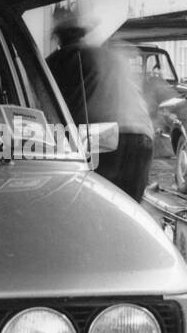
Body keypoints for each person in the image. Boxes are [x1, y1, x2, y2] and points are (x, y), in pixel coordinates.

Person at [46, 10, 154, 201]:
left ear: (58, 37)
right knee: (128, 209)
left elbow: (51, 109)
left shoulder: (59, 61)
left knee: (95, 206)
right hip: (142, 136)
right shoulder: (108, 56)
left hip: (103, 140)